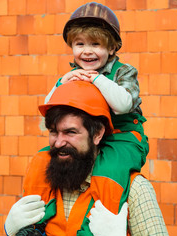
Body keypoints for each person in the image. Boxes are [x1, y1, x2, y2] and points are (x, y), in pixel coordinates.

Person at [4, 81, 169, 236]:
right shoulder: (43, 183)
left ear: (97, 134)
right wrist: (12, 233)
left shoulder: (136, 190)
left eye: (71, 132)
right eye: (54, 132)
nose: (59, 142)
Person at [45, 2, 149, 186]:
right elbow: (49, 107)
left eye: (96, 44)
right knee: (43, 160)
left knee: (109, 170)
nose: (87, 51)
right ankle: (46, 208)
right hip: (88, 139)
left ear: (111, 49)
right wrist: (62, 82)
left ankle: (107, 210)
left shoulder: (123, 72)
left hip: (122, 136)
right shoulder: (75, 74)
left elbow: (124, 104)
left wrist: (97, 80)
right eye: (80, 44)